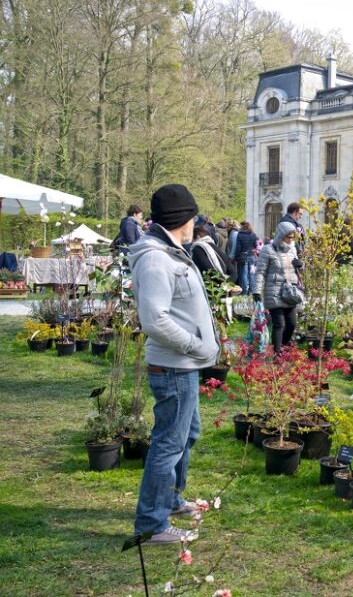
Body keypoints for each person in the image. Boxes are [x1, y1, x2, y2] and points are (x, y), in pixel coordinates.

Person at [129, 184, 219, 545]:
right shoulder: (155, 258)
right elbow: (154, 319)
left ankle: (169, 498)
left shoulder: (171, 251)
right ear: (182, 218)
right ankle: (151, 524)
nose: (195, 221)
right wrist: (196, 346)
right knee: (168, 443)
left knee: (188, 433)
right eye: (192, 215)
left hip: (185, 366)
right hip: (175, 367)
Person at [254, 222, 303, 354]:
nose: (291, 240)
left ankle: (283, 346)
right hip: (274, 291)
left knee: (292, 324)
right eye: (288, 237)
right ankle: (278, 354)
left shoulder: (292, 250)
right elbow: (260, 272)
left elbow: (298, 270)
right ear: (281, 236)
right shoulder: (268, 250)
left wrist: (300, 265)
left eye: (293, 237)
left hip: (290, 292)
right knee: (279, 323)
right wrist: (256, 290)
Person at [232, 221, 259, 295]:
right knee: (252, 274)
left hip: (243, 257)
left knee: (244, 274)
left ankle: (244, 291)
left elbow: (238, 248)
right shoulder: (253, 235)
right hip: (252, 257)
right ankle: (251, 291)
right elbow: (256, 246)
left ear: (243, 226)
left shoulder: (240, 235)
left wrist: (235, 258)